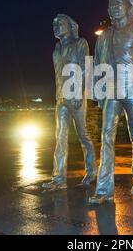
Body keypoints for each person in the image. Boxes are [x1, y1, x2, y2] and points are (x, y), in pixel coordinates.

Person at [88, 0, 133, 204]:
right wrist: (97, 91)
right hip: (111, 93)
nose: (114, 7)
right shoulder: (104, 36)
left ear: (128, 7)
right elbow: (97, 64)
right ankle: (104, 189)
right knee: (106, 137)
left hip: (132, 89)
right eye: (111, 4)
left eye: (119, 3)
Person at [42, 14, 97, 191]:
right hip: (61, 99)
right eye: (54, 24)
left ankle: (91, 171)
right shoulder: (56, 49)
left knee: (83, 135)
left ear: (70, 25)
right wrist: (59, 97)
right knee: (59, 138)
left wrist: (79, 94)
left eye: (60, 23)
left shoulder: (81, 43)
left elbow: (85, 70)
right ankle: (58, 179)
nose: (56, 26)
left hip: (76, 98)